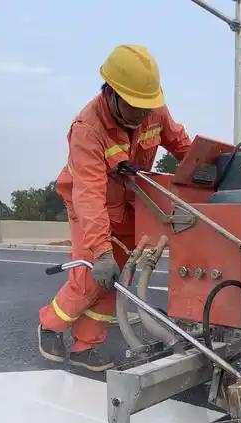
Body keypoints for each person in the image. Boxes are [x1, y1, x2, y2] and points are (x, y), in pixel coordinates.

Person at [37, 45, 191, 372]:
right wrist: (101, 251)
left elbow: (181, 145)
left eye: (146, 105)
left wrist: (207, 169)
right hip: (89, 205)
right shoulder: (88, 128)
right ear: (112, 93)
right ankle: (50, 325)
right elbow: (89, 193)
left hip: (130, 204)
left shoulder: (154, 110)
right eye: (134, 106)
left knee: (116, 279)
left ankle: (85, 347)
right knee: (94, 273)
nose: (141, 113)